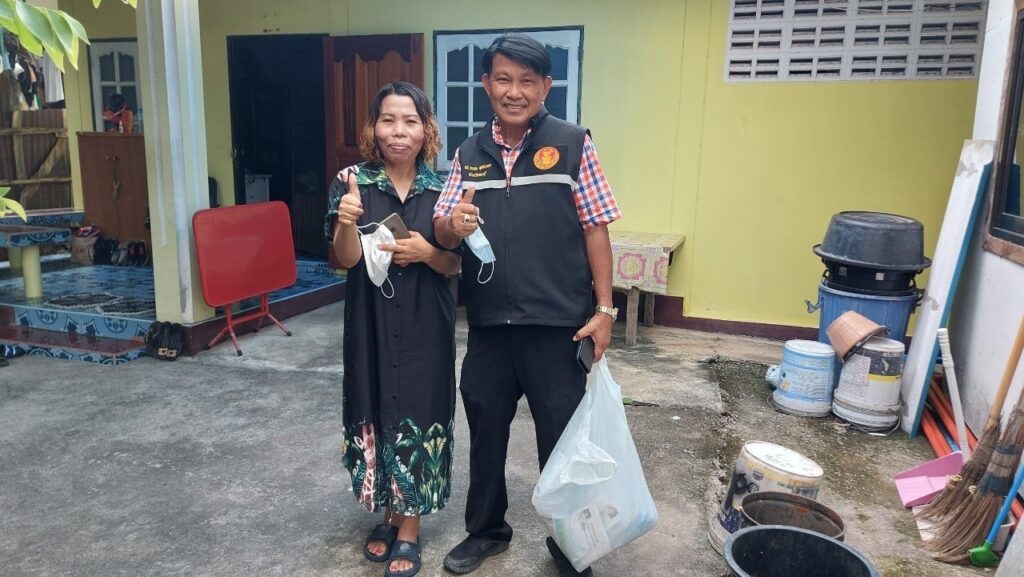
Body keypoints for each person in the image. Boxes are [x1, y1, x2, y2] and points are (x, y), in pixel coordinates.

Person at [433, 34, 621, 577]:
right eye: (503, 79)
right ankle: (486, 531)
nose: (514, 92)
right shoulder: (468, 154)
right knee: (486, 429)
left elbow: (596, 227)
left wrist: (604, 311)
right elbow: (443, 229)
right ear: (486, 84)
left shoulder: (573, 143)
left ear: (546, 87)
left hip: (559, 326)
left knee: (562, 442)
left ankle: (570, 544)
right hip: (490, 324)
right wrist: (453, 225)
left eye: (527, 81)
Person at [326, 81, 460, 577]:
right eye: (388, 120)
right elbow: (344, 260)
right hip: (372, 324)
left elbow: (456, 266)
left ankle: (410, 527)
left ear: (427, 130)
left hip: (427, 324)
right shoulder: (351, 182)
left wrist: (427, 252)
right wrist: (346, 221)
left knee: (421, 412)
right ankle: (389, 513)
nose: (398, 131)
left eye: (410, 121)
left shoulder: (443, 189)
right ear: (373, 127)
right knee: (378, 404)